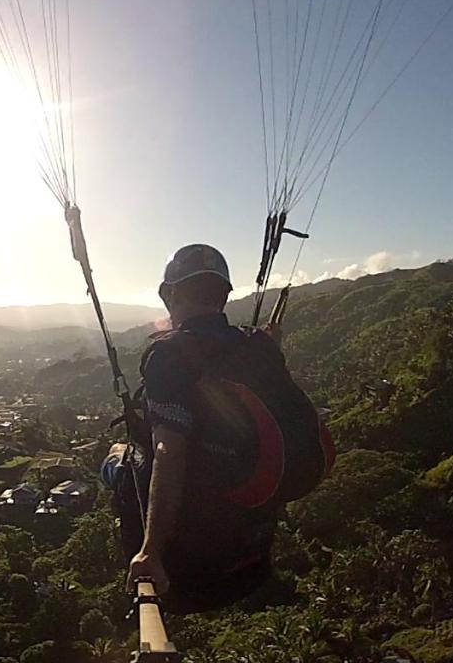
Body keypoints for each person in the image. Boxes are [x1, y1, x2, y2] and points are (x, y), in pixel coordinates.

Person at [101, 244, 330, 613]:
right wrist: (273, 351)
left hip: (189, 572)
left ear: (169, 295)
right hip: (250, 557)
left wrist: (150, 553)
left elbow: (168, 451)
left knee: (116, 461)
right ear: (223, 297)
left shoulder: (169, 355)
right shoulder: (259, 346)